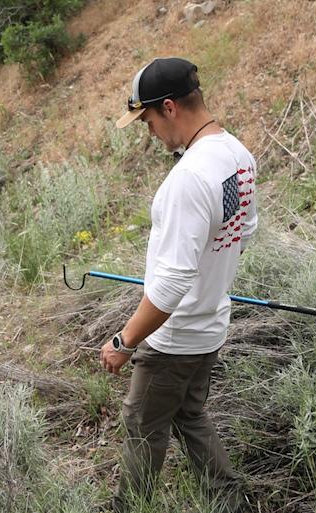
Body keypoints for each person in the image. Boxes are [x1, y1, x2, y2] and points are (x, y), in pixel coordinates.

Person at [101, 57, 258, 512]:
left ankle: (128, 507)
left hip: (173, 337)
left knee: (142, 424)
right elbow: (242, 234)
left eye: (147, 120)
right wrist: (210, 280)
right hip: (209, 325)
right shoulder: (237, 155)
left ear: (168, 108)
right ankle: (230, 501)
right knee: (190, 414)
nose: (149, 132)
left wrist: (124, 340)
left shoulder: (188, 178)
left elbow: (169, 286)